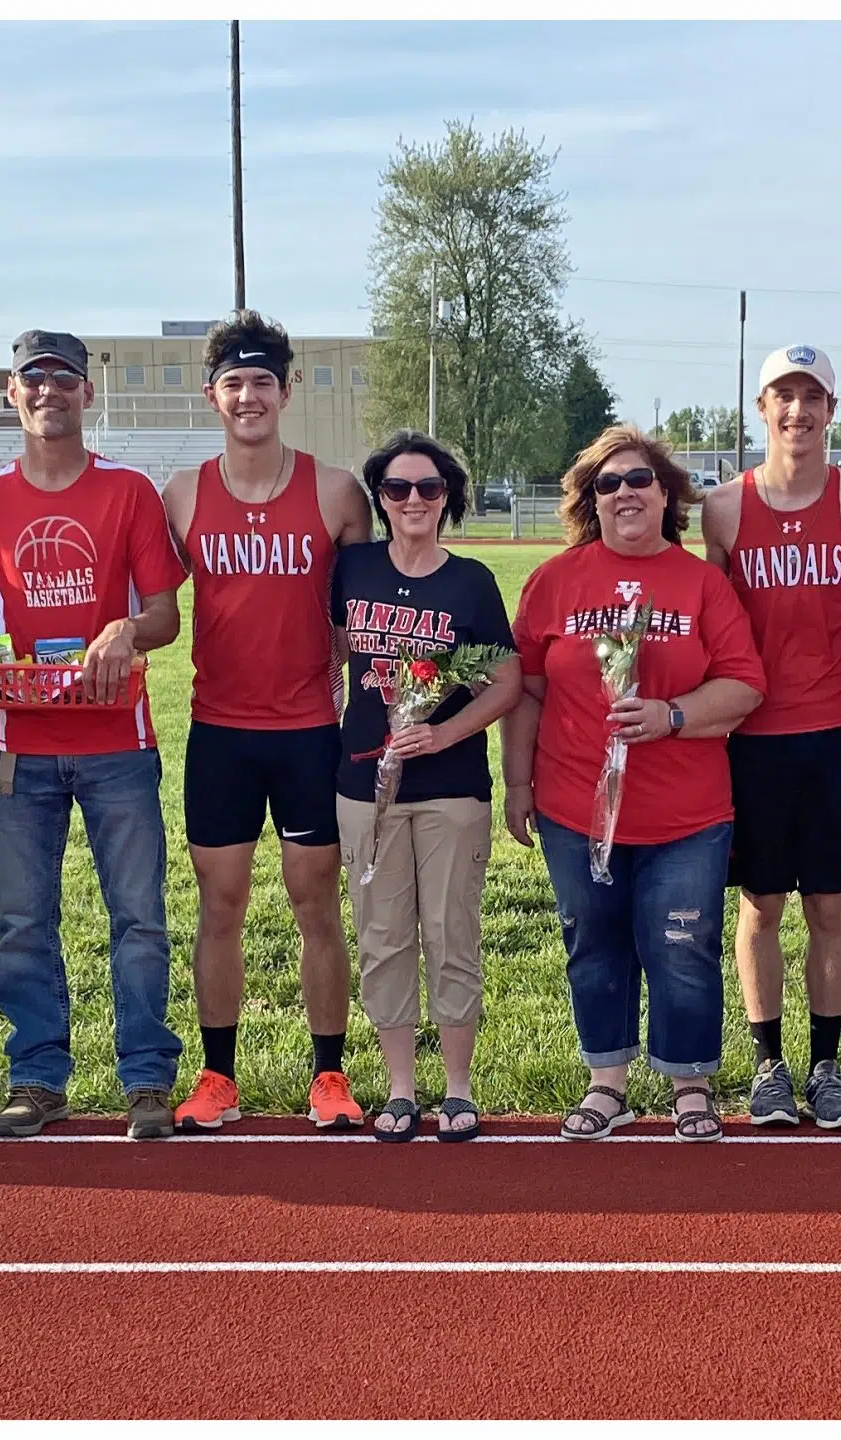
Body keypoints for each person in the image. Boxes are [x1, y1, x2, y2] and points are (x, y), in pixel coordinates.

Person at [0, 331, 188, 1139]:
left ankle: (147, 1080)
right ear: (10, 395)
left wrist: (124, 629)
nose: (48, 389)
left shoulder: (129, 494)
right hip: (20, 743)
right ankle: (38, 1077)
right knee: (23, 922)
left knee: (139, 918)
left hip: (119, 740)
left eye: (63, 378)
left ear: (88, 394)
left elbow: (164, 613)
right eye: (32, 378)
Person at [503, 425, 765, 1142]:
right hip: (571, 806)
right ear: (592, 499)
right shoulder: (554, 581)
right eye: (608, 483)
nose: (625, 492)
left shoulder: (701, 583)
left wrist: (671, 714)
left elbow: (744, 685)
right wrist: (516, 783)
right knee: (594, 943)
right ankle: (607, 1082)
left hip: (686, 814)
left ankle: (689, 1085)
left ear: (666, 494)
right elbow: (525, 690)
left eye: (639, 479)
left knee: (682, 946)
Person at [159, 310, 375, 1131]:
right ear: (212, 395)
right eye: (233, 383)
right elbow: (151, 607)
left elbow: (367, 611)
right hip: (219, 730)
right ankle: (217, 1076)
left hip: (311, 730)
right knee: (221, 903)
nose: (248, 396)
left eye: (262, 382)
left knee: (315, 902)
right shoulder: (182, 495)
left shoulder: (335, 492)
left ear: (287, 391)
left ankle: (330, 1075)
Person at [699, 346, 841, 1128]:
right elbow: (708, 622)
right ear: (761, 410)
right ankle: (768, 1063)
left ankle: (828, 1066)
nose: (798, 412)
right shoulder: (725, 507)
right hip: (753, 738)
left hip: (837, 730)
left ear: (831, 410)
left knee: (830, 908)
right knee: (762, 906)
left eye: (812, 398)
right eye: (783, 397)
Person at [332, 432, 523, 1142]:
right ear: (380, 499)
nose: (414, 500)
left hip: (450, 788)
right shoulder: (351, 568)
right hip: (363, 787)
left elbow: (506, 681)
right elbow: (332, 649)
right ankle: (402, 1089)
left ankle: (459, 1089)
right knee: (382, 937)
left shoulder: (470, 580)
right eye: (398, 489)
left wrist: (444, 732)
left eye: (429, 488)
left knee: (450, 934)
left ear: (448, 499)